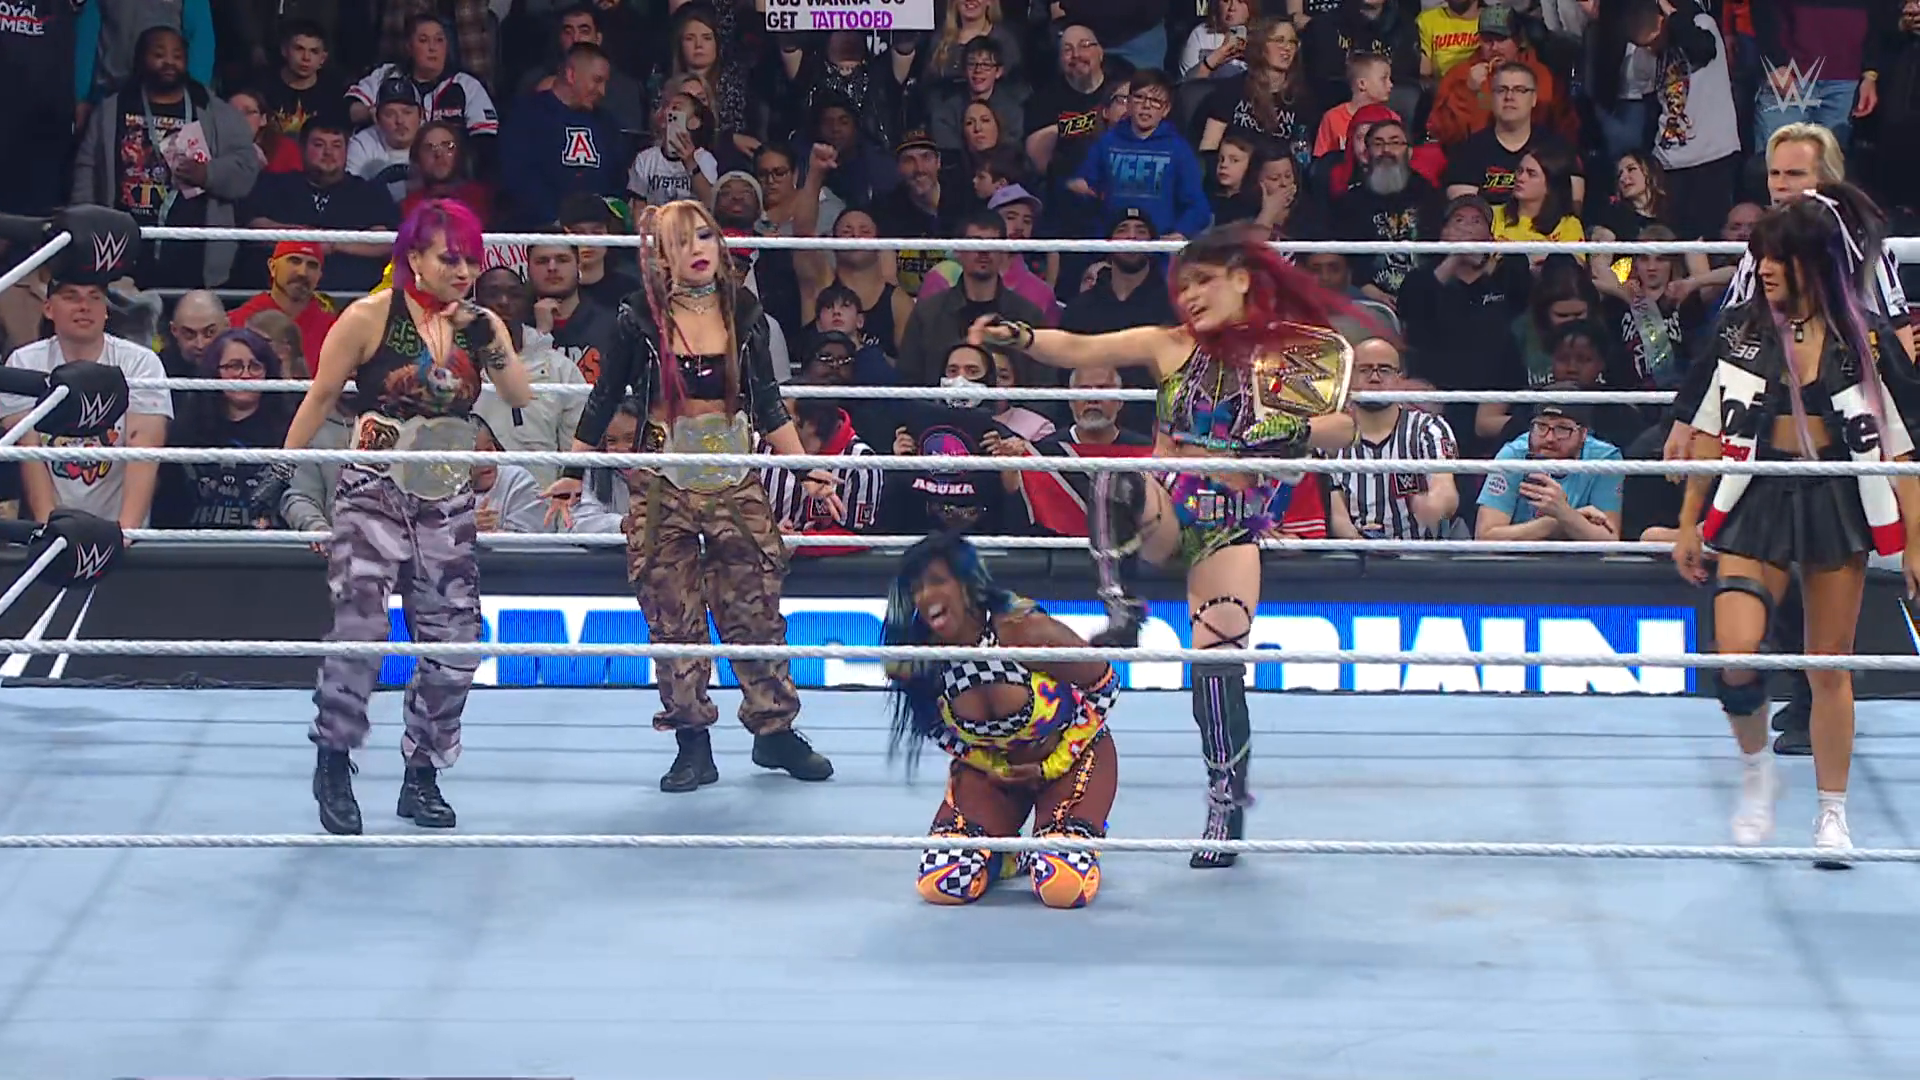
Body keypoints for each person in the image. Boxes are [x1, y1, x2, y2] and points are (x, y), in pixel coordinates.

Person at [968, 222, 1360, 868]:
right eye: (1185, 285)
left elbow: (1343, 426)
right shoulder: (1168, 344)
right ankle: (1122, 612)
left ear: (1242, 280)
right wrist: (1024, 336)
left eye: (1204, 281)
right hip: (1168, 509)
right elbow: (1082, 346)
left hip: (1231, 525)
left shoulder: (1284, 354)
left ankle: (1226, 803)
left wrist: (1297, 433)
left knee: (1216, 667)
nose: (1192, 296)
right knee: (1114, 477)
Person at [543, 199, 837, 793]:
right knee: (672, 616)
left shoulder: (744, 311)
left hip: (733, 475)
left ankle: (774, 731)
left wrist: (805, 469)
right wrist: (573, 470)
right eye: (681, 241)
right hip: (663, 481)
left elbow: (767, 400)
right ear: (660, 256)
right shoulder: (637, 318)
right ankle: (692, 743)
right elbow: (604, 397)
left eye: (704, 235)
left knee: (755, 607)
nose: (698, 249)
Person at [1673, 193, 1920, 863]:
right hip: (1755, 493)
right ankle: (1758, 771)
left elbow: (1900, 447)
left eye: (1778, 257)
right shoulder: (1739, 330)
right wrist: (1689, 520)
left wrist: (1916, 542)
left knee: (1828, 666)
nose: (1765, 269)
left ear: (1813, 262)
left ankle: (1832, 813)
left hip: (1835, 496)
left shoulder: (1865, 338)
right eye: (1761, 257)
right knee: (1734, 654)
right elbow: (1708, 429)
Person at [283, 199, 537, 837]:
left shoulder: (481, 324)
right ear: (414, 258)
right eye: (450, 258)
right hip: (374, 489)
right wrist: (281, 466)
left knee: (455, 643)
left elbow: (518, 396)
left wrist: (490, 340)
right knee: (361, 626)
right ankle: (334, 762)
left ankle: (422, 773)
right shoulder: (369, 316)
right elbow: (320, 395)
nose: (464, 270)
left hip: (446, 499)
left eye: (471, 259)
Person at [882, 533, 1120, 909]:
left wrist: (1051, 765)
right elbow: (932, 725)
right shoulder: (917, 657)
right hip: (994, 774)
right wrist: (989, 765)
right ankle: (1011, 856)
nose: (925, 596)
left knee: (1062, 887)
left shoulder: (1024, 631)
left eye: (937, 581)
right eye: (916, 588)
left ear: (968, 583)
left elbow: (1104, 686)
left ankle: (1072, 836)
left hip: (1071, 761)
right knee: (942, 882)